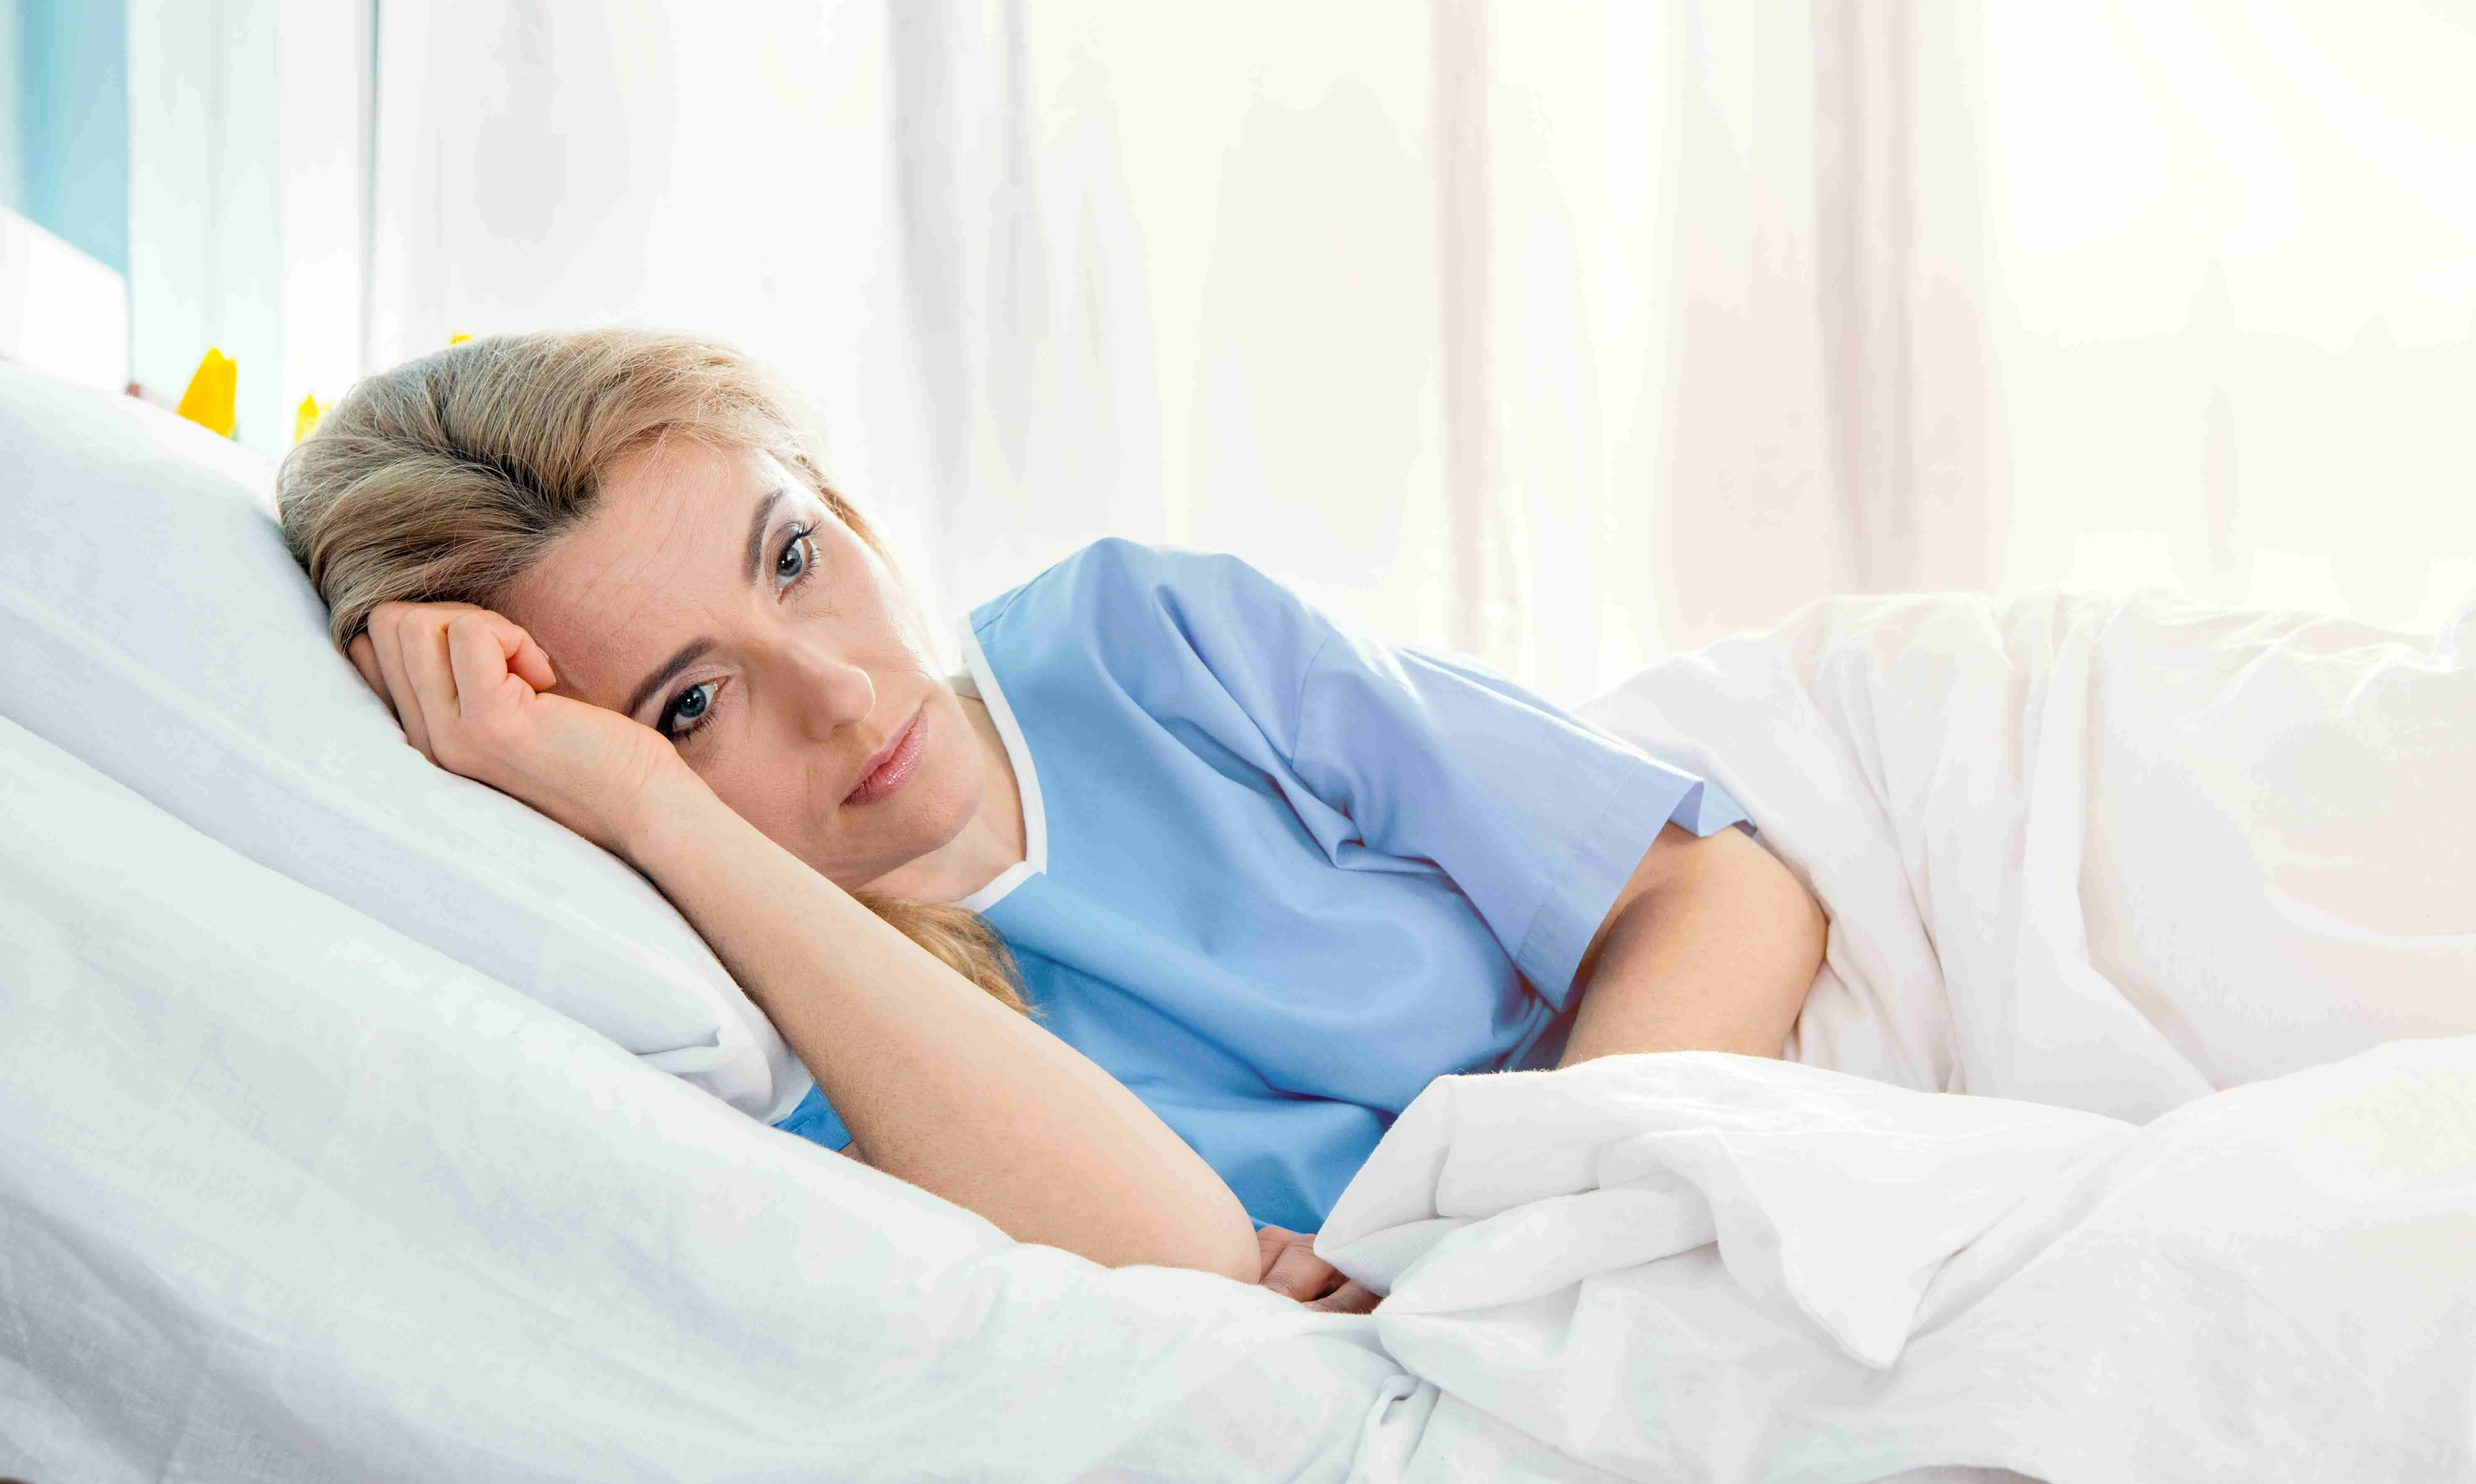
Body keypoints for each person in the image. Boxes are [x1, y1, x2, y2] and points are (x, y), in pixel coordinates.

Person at [276, 330, 1827, 1309]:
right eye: (693, 705)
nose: (828, 689)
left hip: (1729, 1144)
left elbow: (1725, 897)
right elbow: (1198, 1287)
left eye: (796, 557)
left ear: (855, 515)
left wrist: (1497, 1241)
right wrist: (644, 810)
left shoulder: (1140, 645)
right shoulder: (801, 1036)